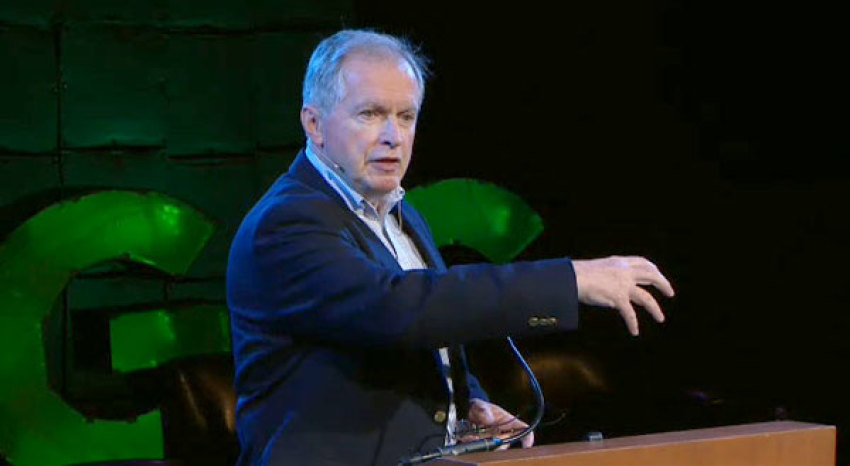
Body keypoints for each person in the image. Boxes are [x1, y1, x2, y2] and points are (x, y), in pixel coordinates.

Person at [226, 29, 674, 466]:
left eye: (406, 116)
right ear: (314, 123)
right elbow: (397, 311)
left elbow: (413, 342)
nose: (393, 136)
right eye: (370, 114)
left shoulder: (401, 214)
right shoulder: (286, 224)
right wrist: (569, 279)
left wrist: (464, 403)